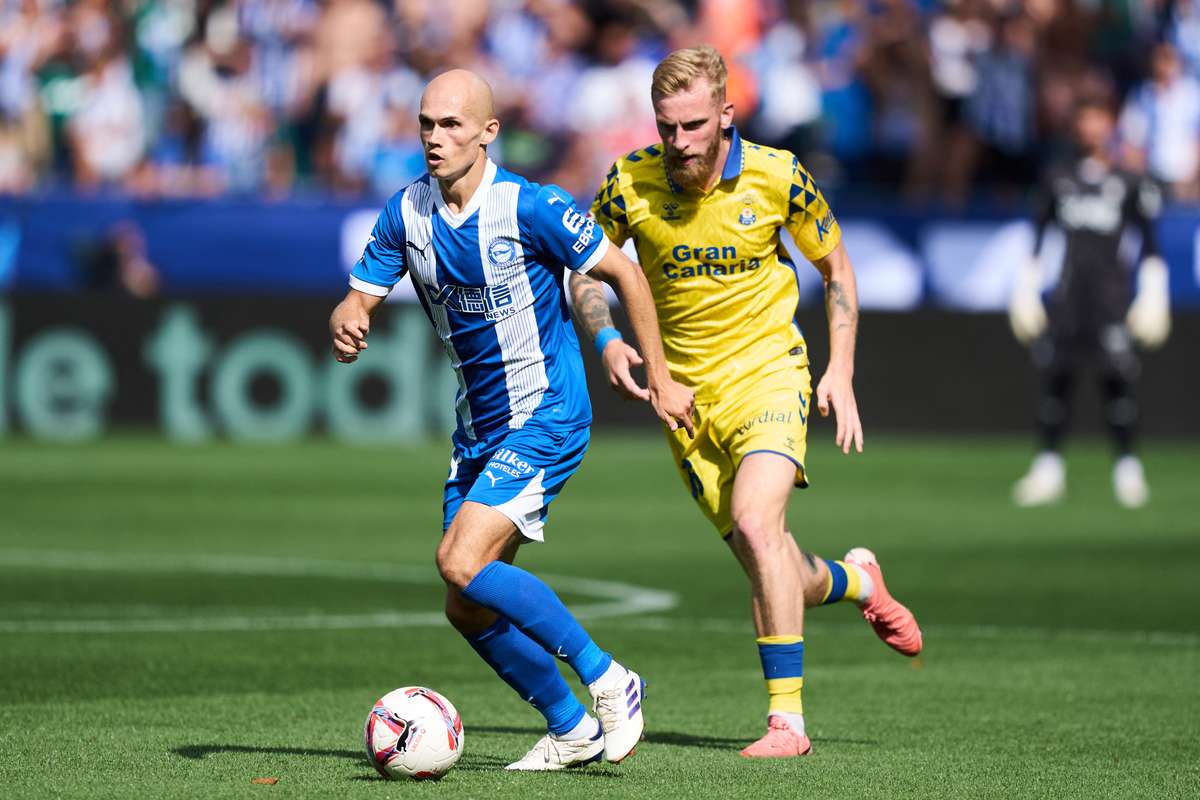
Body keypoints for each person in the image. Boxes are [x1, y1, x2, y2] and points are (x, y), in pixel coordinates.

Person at [328, 69, 695, 771]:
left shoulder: (532, 207)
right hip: (476, 434)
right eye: (426, 124)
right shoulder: (406, 213)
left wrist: (659, 372)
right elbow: (358, 298)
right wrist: (349, 320)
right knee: (465, 604)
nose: (435, 138)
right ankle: (571, 728)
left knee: (458, 560)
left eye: (452, 126)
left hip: (547, 413)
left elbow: (625, 273)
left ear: (488, 133)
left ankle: (611, 678)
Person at [569, 46, 922, 758]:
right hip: (684, 402)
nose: (680, 143)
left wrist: (841, 368)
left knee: (758, 525)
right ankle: (858, 580)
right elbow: (588, 274)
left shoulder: (777, 176)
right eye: (667, 127)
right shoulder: (628, 183)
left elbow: (836, 264)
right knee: (776, 564)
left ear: (727, 114)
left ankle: (787, 722)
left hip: (769, 374)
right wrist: (605, 339)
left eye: (694, 125)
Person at [1009, 97, 1170, 508]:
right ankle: (1048, 470)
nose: (1090, 129)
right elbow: (1038, 238)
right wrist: (1026, 289)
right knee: (1057, 383)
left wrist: (1154, 293)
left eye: (1098, 120)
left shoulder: (1130, 182)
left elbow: (1150, 243)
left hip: (1111, 298)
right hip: (1068, 298)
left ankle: (1128, 470)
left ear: (1111, 124)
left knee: (1117, 383)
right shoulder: (1058, 178)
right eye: (1084, 121)